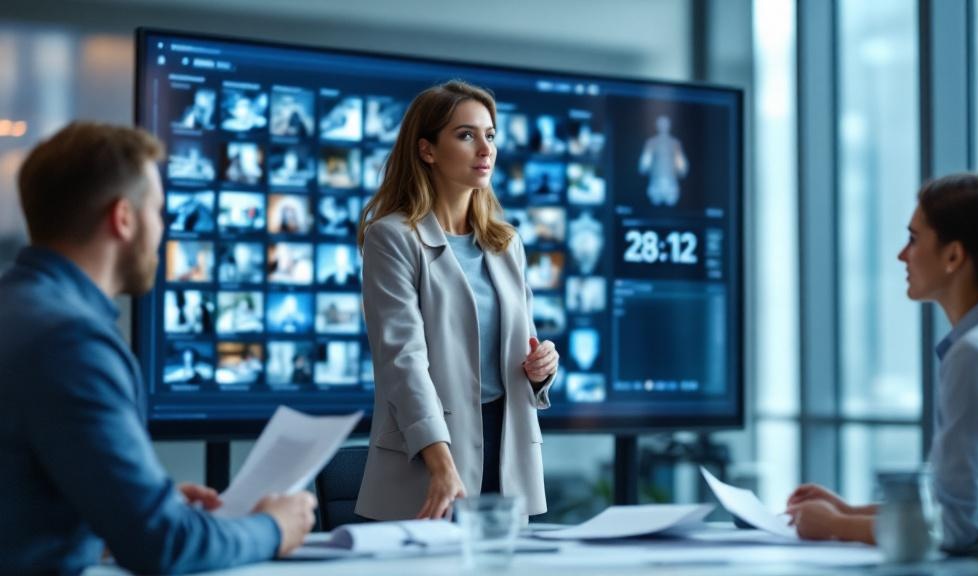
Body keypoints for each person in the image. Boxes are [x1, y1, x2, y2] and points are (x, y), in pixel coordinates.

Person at [0, 122, 317, 574]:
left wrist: (144, 501)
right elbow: (161, 545)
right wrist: (273, 527)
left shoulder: (18, 309)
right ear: (123, 218)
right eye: (160, 211)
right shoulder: (70, 341)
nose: (165, 229)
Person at [786, 173, 978, 565]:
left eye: (913, 239)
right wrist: (846, 511)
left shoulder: (976, 354)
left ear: (953, 256)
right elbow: (965, 508)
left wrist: (836, 526)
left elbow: (955, 524)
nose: (902, 255)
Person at [355, 81, 559, 521]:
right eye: (466, 135)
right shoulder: (392, 238)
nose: (485, 148)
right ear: (427, 150)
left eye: (490, 135)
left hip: (508, 449)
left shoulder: (506, 244)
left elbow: (517, 346)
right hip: (430, 451)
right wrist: (442, 466)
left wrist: (543, 365)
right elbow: (401, 362)